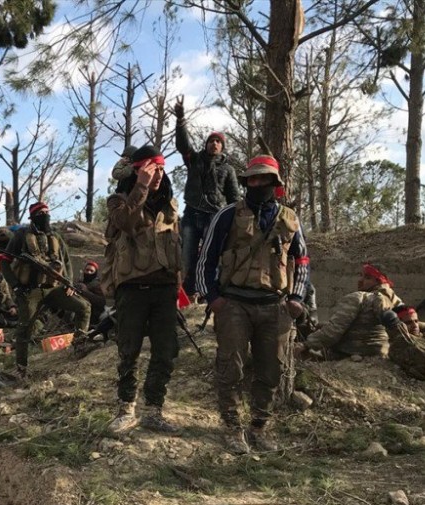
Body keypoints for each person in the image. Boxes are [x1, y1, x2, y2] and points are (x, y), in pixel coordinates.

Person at [196, 155, 310, 454]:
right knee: (230, 368)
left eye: (264, 179)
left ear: (275, 183)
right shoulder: (227, 215)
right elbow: (205, 258)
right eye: (253, 179)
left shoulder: (290, 219)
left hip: (275, 306)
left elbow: (303, 260)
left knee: (271, 370)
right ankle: (232, 428)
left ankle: (259, 426)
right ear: (246, 182)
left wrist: (297, 297)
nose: (258, 184)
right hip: (234, 303)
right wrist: (213, 298)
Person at [100, 145, 182, 434]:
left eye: (160, 168)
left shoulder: (170, 204)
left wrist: (180, 287)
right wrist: (141, 186)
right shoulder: (119, 200)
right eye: (151, 169)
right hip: (132, 288)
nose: (157, 174)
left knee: (166, 350)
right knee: (129, 350)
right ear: (137, 171)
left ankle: (153, 409)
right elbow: (126, 223)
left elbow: (176, 244)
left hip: (164, 288)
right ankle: (125, 409)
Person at [4, 202, 91, 377]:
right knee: (24, 329)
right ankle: (21, 368)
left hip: (54, 288)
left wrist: (69, 284)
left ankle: (79, 342)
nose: (45, 215)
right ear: (33, 216)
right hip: (30, 291)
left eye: (47, 212)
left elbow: (66, 261)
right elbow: (3, 261)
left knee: (84, 307)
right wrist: (15, 285)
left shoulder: (56, 237)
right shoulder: (21, 235)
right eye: (41, 213)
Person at [173, 96, 240, 297]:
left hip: (215, 217)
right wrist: (180, 120)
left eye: (218, 141)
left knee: (212, 256)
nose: (214, 143)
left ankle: (208, 293)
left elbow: (234, 197)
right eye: (211, 140)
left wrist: (235, 220)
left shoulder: (228, 169)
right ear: (206, 144)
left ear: (222, 147)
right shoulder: (194, 160)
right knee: (187, 256)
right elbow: (183, 145)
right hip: (192, 215)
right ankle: (188, 293)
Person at [300, 263, 401, 359]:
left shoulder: (358, 298)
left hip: (351, 355)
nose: (360, 280)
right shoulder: (396, 301)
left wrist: (306, 345)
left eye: (367, 278)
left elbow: (333, 332)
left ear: (379, 281)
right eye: (361, 275)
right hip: (382, 354)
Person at [74, 260, 107, 325]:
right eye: (87, 270)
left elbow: (101, 302)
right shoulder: (79, 282)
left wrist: (86, 292)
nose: (88, 272)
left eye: (91, 271)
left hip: (92, 314)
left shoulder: (98, 285)